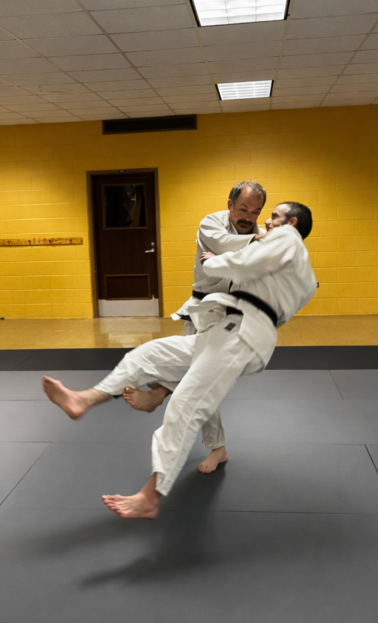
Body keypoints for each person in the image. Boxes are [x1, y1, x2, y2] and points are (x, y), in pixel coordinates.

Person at [43, 202, 317, 519]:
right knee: (149, 354)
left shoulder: (287, 238)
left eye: (275, 216)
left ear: (291, 223)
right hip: (227, 329)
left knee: (186, 404)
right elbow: (257, 269)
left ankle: (151, 496)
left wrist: (216, 262)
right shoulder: (298, 269)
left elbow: (244, 263)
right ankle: (84, 399)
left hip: (242, 335)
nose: (267, 221)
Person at [121, 180, 266, 414]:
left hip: (233, 314)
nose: (249, 217)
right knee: (201, 370)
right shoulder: (211, 223)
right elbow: (223, 244)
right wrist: (254, 243)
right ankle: (161, 394)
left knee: (202, 369)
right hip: (202, 306)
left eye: (256, 212)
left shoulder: (262, 237)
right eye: (243, 209)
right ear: (230, 204)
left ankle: (159, 392)